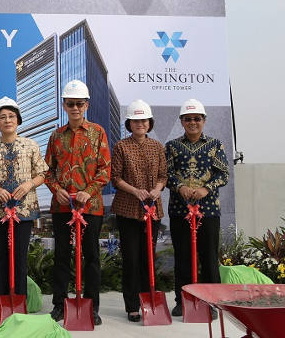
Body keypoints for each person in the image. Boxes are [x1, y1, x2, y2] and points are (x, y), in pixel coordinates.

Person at [0, 96, 47, 322]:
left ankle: (20, 303)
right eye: (2, 117)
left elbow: (43, 174)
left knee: (20, 258)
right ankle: (3, 304)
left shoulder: (31, 145)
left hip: (23, 211)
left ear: (18, 120)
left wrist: (28, 184)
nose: (7, 120)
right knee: (0, 258)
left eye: (11, 116)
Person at [45, 79, 111, 326]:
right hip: (62, 207)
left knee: (91, 256)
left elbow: (105, 169)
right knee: (61, 255)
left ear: (87, 105)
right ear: (64, 105)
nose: (75, 108)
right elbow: (47, 170)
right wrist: (57, 189)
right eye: (70, 103)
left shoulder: (98, 133)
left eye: (79, 104)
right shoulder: (56, 136)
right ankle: (59, 305)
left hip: (90, 207)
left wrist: (90, 192)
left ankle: (92, 307)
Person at [166, 98, 229, 318]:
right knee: (182, 257)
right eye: (188, 119)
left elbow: (224, 174)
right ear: (182, 121)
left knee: (209, 257)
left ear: (204, 120)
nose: (193, 122)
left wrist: (206, 189)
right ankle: (182, 301)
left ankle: (212, 303)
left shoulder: (215, 145)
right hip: (179, 210)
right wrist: (180, 186)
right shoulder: (172, 147)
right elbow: (166, 175)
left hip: (209, 210)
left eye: (197, 118)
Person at [110, 99, 167, 323]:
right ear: (129, 123)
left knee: (148, 258)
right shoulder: (121, 146)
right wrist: (136, 191)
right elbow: (115, 178)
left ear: (149, 122)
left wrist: (157, 189)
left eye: (143, 120)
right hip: (128, 209)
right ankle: (133, 305)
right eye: (135, 120)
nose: (140, 124)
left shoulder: (157, 146)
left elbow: (163, 175)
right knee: (131, 259)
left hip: (152, 209)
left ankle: (149, 300)